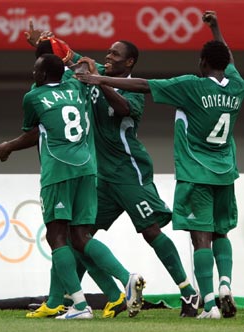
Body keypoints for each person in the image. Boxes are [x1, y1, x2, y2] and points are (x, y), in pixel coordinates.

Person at [0, 23, 199, 318]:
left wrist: (99, 81)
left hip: (128, 171)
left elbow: (124, 110)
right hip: (97, 175)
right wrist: (41, 42)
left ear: (129, 62)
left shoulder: (130, 90)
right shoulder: (90, 74)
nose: (108, 56)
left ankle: (189, 293)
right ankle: (63, 299)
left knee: (150, 230)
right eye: (108, 52)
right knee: (80, 237)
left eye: (115, 54)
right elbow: (63, 58)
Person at [76, 10, 242, 319]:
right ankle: (224, 286)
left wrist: (98, 79)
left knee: (198, 236)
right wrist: (216, 28)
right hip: (225, 172)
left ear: (202, 64)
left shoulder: (192, 85)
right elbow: (227, 60)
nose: (108, 56)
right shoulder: (236, 85)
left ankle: (202, 301)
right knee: (221, 234)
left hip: (185, 172)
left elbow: (142, 87)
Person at [0, 40, 146, 320]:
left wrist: (6, 147)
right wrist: (79, 61)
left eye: (35, 69)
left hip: (58, 171)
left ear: (41, 74)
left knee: (57, 237)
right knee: (80, 237)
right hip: (88, 169)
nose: (32, 73)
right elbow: (81, 66)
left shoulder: (34, 96)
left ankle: (78, 305)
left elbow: (33, 131)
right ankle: (121, 286)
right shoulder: (79, 84)